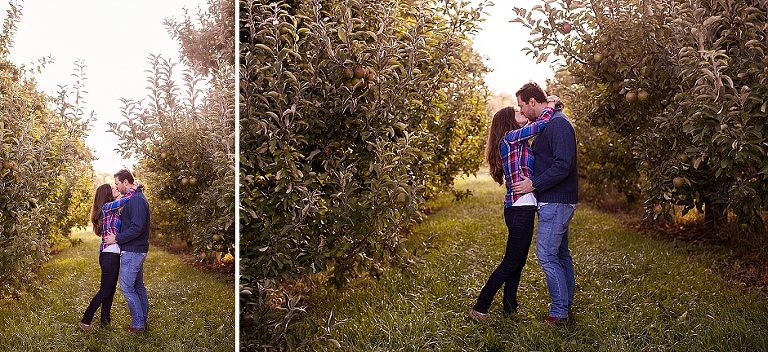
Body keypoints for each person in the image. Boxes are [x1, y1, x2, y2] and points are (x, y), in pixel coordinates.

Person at [470, 96, 559, 322]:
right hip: (520, 207)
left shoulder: (517, 141)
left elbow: (533, 125)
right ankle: (480, 308)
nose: (523, 113)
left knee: (517, 261)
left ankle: (510, 308)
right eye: (517, 111)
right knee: (511, 261)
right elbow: (539, 124)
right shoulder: (510, 138)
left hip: (522, 207)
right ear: (509, 121)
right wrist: (550, 106)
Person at [512, 82, 578, 326]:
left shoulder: (559, 124)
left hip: (556, 200)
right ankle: (566, 307)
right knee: (560, 254)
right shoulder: (548, 123)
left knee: (547, 255)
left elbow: (563, 165)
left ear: (532, 102)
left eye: (521, 105)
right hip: (554, 200)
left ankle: (559, 313)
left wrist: (534, 184)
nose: (521, 110)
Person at [79, 182, 140, 331]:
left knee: (110, 290)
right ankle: (85, 320)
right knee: (105, 290)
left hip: (112, 254)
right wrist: (133, 188)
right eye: (112, 188)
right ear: (106, 194)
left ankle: (105, 322)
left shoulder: (112, 210)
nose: (116, 188)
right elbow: (125, 200)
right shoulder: (107, 207)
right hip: (109, 255)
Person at [105, 169, 151, 333]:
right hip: (135, 249)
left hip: (133, 250)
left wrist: (116, 238)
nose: (115, 186)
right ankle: (142, 320)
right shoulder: (132, 198)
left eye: (117, 183)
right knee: (137, 285)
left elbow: (137, 228)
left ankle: (138, 325)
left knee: (126, 287)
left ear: (125, 182)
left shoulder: (137, 200)